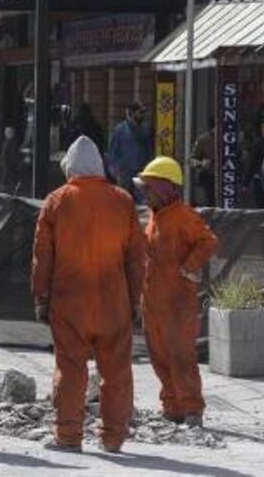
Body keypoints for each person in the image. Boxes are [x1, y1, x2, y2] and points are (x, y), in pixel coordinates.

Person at [31, 135, 146, 454]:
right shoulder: (123, 200)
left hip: (70, 302)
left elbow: (42, 257)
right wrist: (136, 300)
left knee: (70, 369)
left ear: (70, 169)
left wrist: (40, 297)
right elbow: (136, 258)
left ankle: (68, 436)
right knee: (116, 371)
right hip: (114, 302)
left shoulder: (56, 201)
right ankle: (113, 437)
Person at [134, 157, 217, 429]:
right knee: (159, 356)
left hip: (178, 303)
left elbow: (208, 241)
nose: (144, 194)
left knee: (181, 357)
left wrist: (188, 267)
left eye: (148, 188)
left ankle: (192, 409)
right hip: (153, 302)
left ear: (163, 188)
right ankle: (172, 407)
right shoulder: (154, 217)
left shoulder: (184, 217)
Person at [107, 102, 152, 199]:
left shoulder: (145, 130)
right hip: (124, 173)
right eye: (140, 112)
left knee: (141, 200)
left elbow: (148, 151)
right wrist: (115, 170)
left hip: (140, 171)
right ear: (131, 113)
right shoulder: (119, 130)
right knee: (123, 199)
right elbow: (113, 151)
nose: (142, 116)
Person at [244, 117, 264, 208]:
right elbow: (252, 162)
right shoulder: (258, 143)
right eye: (262, 127)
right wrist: (246, 182)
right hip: (260, 179)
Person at [190, 118, 216, 207]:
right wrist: (201, 164)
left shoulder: (230, 140)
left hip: (227, 176)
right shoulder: (203, 140)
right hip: (209, 176)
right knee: (211, 202)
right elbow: (192, 160)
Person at [0, 126, 21, 194]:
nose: (11, 134)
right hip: (8, 162)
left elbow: (16, 153)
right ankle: (6, 187)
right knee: (7, 175)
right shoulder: (7, 143)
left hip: (12, 162)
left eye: (12, 133)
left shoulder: (13, 142)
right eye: (9, 133)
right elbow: (4, 154)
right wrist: (3, 162)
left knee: (10, 175)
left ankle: (11, 187)